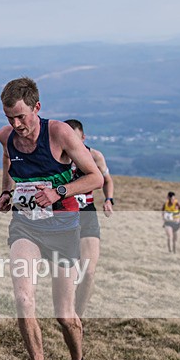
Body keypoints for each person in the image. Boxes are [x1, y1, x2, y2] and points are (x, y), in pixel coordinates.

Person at [0, 77, 103, 360]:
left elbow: (94, 178)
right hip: (25, 227)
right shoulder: (6, 137)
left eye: (22, 117)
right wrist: (7, 192)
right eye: (9, 117)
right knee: (24, 298)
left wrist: (58, 192)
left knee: (64, 314)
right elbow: (9, 164)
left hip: (63, 228)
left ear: (36, 108)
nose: (16, 124)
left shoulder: (60, 134)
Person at [63, 119, 115, 319]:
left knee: (89, 271)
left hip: (87, 214)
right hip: (64, 216)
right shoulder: (56, 158)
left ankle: (78, 317)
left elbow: (107, 181)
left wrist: (109, 200)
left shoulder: (95, 156)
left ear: (83, 138)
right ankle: (66, 310)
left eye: (75, 140)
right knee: (70, 269)